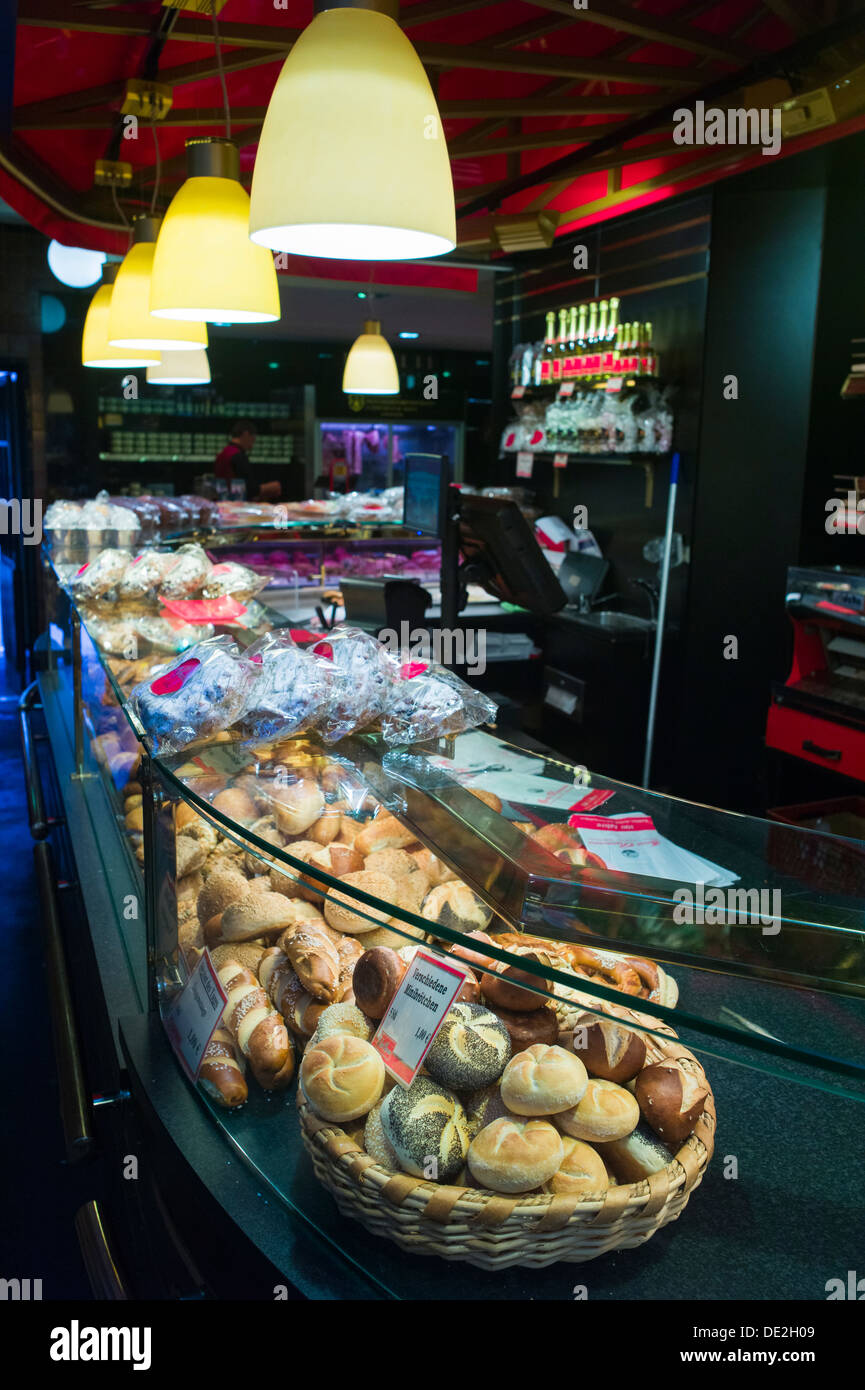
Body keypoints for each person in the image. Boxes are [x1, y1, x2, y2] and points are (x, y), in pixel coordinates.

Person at [214, 419, 256, 497]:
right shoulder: (238, 456)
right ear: (246, 434)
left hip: (222, 499)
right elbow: (250, 489)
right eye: (253, 440)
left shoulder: (223, 453)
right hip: (235, 500)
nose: (251, 446)